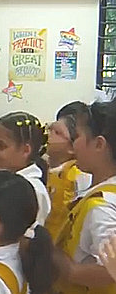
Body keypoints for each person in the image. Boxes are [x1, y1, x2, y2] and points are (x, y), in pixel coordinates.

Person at [32, 100, 116, 294]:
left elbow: (108, 270)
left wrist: (71, 270)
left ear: (99, 144)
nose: (74, 144)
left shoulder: (102, 207)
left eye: (78, 136)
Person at [0, 112, 51, 261]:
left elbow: (25, 243)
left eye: (0, 146)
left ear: (25, 150)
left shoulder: (31, 189)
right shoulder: (3, 180)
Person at [44, 101, 93, 237]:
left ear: (73, 146)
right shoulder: (45, 167)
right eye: (50, 129)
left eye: (57, 132)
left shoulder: (78, 174)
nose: (49, 135)